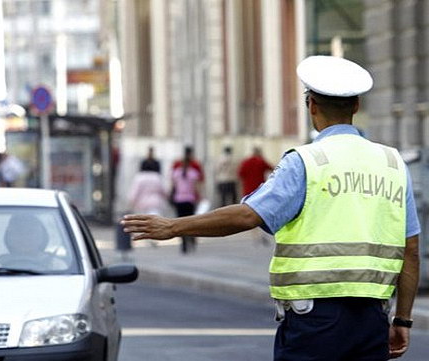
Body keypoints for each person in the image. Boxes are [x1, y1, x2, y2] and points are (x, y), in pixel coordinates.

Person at [122, 55, 420, 360]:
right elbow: (410, 249)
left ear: (311, 106)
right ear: (356, 106)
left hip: (316, 321)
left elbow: (248, 215)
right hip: (371, 319)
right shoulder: (392, 163)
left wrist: (172, 227)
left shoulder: (307, 162)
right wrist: (403, 319)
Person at [127, 160, 167, 248]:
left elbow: (134, 191)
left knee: (142, 222)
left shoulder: (139, 177)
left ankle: (143, 237)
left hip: (142, 203)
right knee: (155, 221)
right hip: (155, 202)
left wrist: (132, 201)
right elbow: (163, 191)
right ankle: (154, 238)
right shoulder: (157, 177)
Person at [170, 146, 202, 254]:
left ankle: (183, 244)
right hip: (190, 200)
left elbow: (173, 186)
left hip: (179, 200)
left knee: (180, 222)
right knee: (191, 222)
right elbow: (196, 187)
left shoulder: (177, 172)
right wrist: (200, 197)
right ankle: (191, 239)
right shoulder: (193, 172)